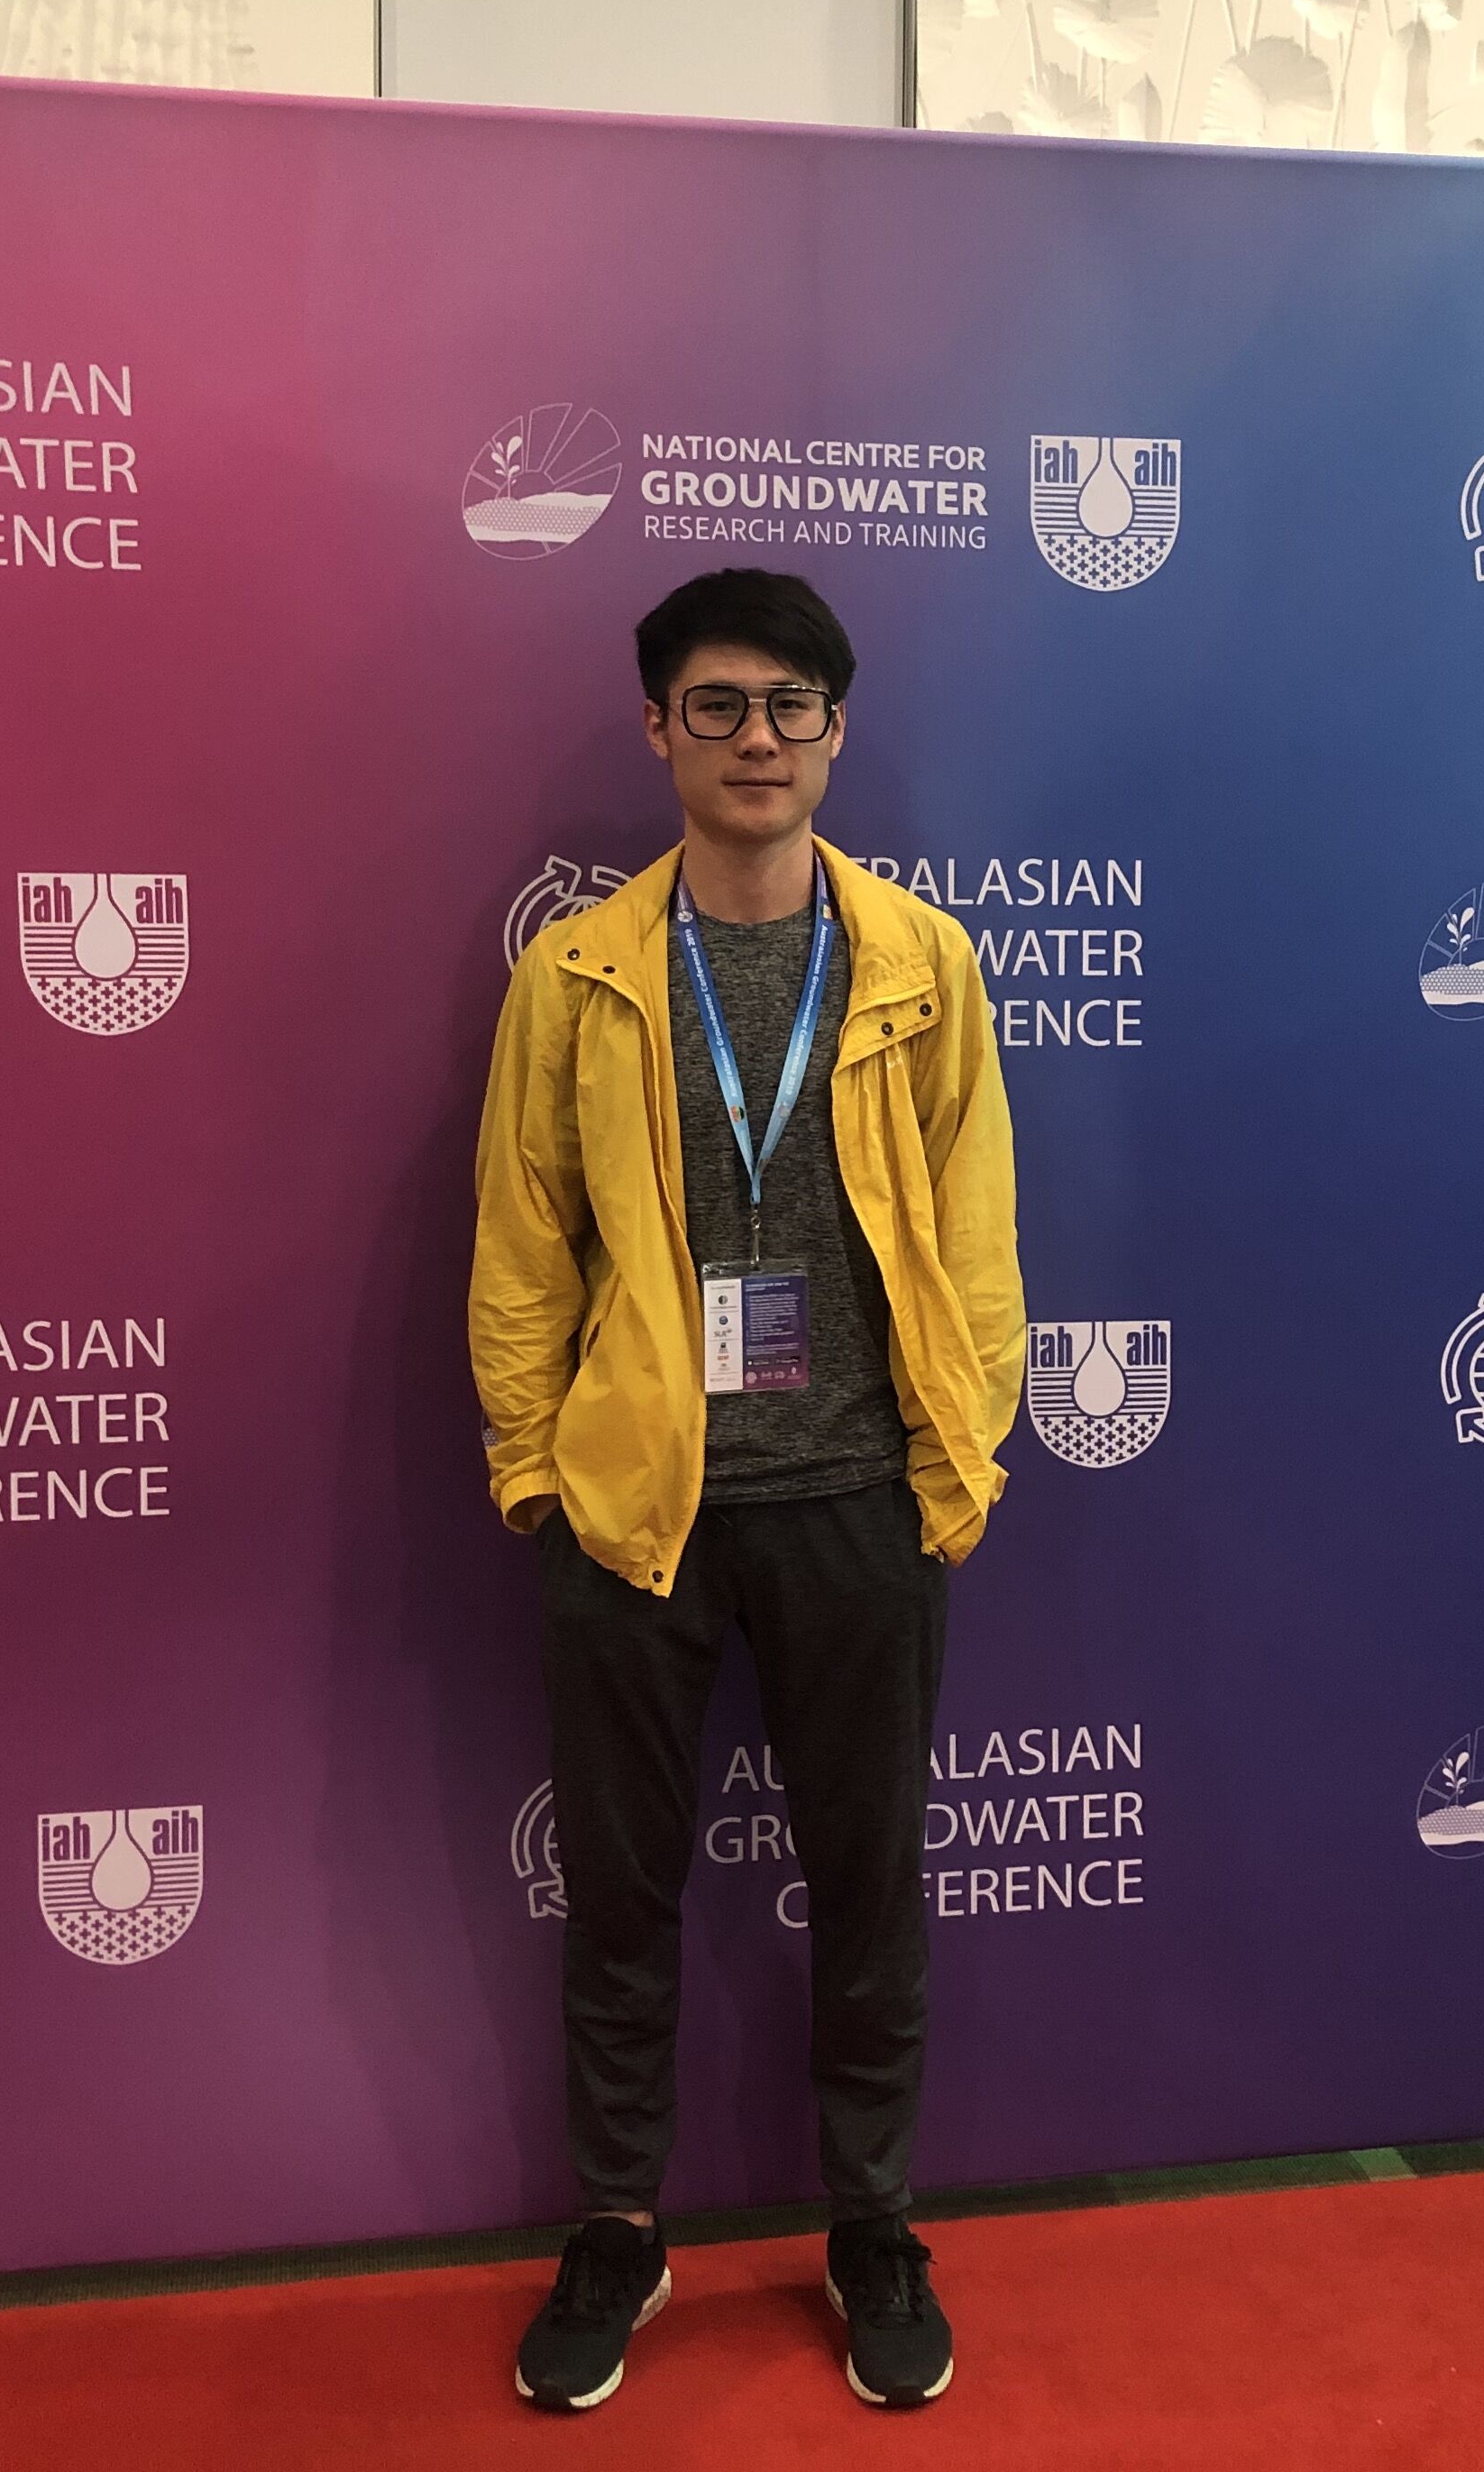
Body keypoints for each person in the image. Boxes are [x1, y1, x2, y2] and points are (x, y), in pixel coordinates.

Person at [471, 567, 1023, 2412]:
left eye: (790, 705)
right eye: (716, 704)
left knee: (870, 1893)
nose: (756, 738)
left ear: (836, 731)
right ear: (660, 729)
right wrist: (536, 1470)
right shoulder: (579, 973)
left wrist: (956, 1462)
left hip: (860, 1501)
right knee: (620, 1905)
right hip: (638, 1516)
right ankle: (618, 2230)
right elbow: (523, 1243)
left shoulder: (925, 963)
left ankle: (874, 2226)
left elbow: (977, 1230)